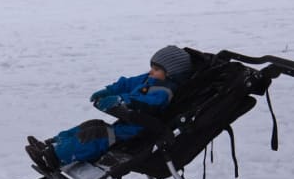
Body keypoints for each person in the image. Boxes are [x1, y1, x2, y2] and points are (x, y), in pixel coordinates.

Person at [25, 45, 193, 170]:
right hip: (123, 125)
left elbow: (145, 104)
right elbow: (128, 83)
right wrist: (110, 90)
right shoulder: (151, 79)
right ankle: (51, 145)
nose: (150, 71)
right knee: (92, 124)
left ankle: (55, 157)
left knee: (95, 135)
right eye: (152, 67)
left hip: (133, 134)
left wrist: (121, 100)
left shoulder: (164, 91)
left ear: (171, 73)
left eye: (156, 69)